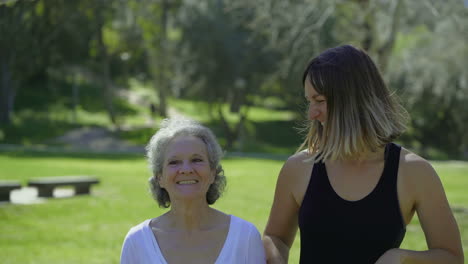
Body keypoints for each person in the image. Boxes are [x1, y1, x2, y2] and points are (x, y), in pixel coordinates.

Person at [263, 45, 464, 264]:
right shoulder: (300, 167)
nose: (312, 113)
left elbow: (452, 257)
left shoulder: (415, 173)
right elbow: (276, 238)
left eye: (319, 101)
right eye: (309, 101)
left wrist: (402, 257)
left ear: (354, 101)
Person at [121, 118, 266, 264]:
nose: (186, 170)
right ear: (160, 178)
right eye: (174, 162)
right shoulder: (137, 242)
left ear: (212, 173)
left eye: (196, 160)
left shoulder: (245, 237)